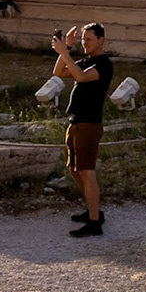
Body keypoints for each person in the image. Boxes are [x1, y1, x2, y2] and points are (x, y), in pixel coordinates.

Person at [53, 22, 114, 237]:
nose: (85, 44)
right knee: (75, 169)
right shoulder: (87, 61)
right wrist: (66, 48)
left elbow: (80, 77)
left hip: (90, 123)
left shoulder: (104, 64)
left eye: (88, 40)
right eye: (83, 40)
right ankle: (92, 209)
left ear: (101, 40)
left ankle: (95, 222)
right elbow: (59, 71)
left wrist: (64, 52)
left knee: (87, 172)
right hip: (76, 122)